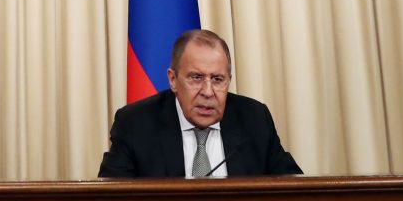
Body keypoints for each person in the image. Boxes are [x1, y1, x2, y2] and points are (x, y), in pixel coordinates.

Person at [99, 29, 301, 178]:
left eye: (217, 79)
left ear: (229, 80)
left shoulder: (254, 118)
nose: (207, 92)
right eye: (196, 77)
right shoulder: (135, 123)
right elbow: (111, 198)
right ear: (173, 80)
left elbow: (293, 188)